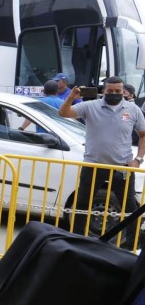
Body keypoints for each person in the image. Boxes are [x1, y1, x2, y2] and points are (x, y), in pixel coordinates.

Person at [59, 76, 145, 250]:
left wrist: (138, 159)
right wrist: (71, 97)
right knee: (83, 204)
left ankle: (131, 246)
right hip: (93, 165)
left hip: (122, 167)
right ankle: (77, 243)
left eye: (118, 91)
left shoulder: (133, 110)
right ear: (103, 90)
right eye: (110, 91)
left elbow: (143, 134)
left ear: (123, 92)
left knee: (129, 207)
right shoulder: (91, 106)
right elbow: (63, 113)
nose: (114, 94)